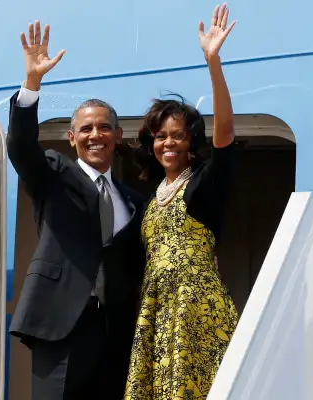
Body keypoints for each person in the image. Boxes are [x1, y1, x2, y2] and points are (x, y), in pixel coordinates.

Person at [6, 21, 146, 400]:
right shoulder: (52, 172)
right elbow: (20, 146)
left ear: (117, 137)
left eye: (104, 128)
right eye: (86, 129)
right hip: (62, 323)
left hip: (115, 329)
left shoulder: (135, 200)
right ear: (72, 138)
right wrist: (31, 84)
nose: (95, 135)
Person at [124, 4, 239, 399]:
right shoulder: (149, 202)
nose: (168, 142)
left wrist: (213, 63)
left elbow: (225, 134)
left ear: (191, 144)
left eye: (177, 135)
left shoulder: (203, 186)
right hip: (158, 310)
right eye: (160, 136)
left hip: (197, 311)